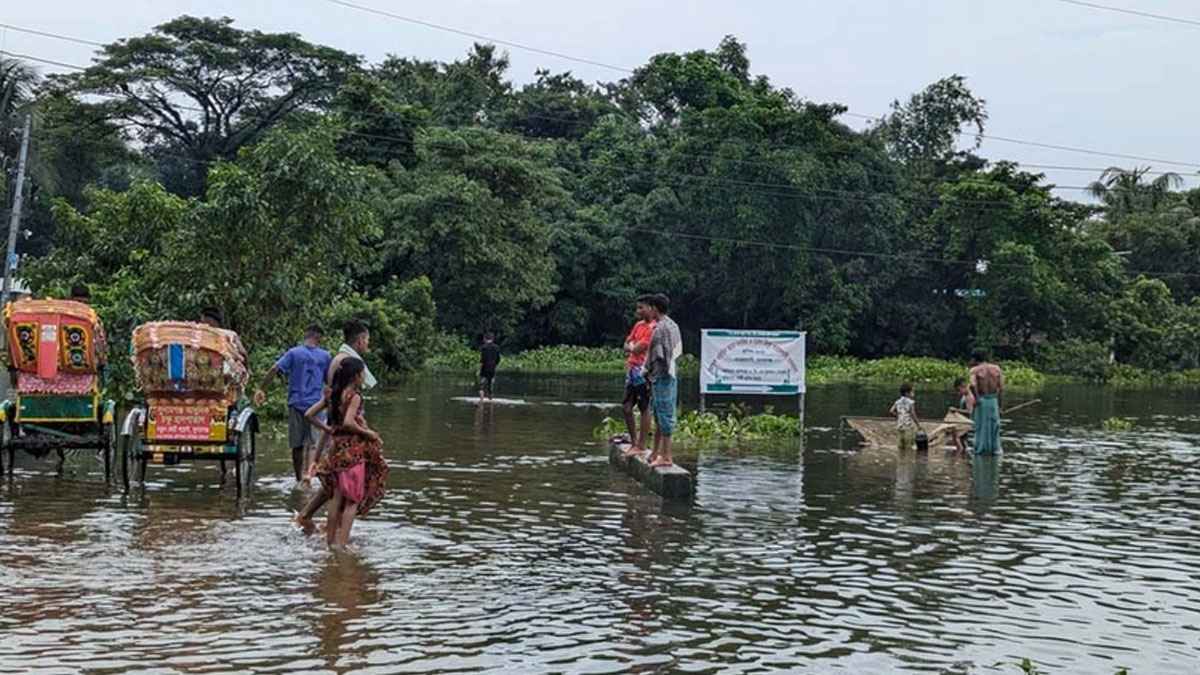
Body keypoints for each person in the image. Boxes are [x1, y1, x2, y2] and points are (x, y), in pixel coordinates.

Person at [294, 321, 375, 528]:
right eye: (367, 340)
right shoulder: (348, 363)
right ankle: (335, 536)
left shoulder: (337, 359)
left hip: (336, 428)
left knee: (334, 481)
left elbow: (328, 402)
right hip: (344, 433)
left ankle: (311, 519)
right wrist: (365, 431)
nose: (368, 344)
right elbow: (342, 408)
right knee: (342, 486)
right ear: (360, 340)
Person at [305, 357, 388, 549]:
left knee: (336, 497)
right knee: (352, 500)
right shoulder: (355, 396)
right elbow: (349, 422)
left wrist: (328, 430)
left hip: (335, 451)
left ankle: (331, 542)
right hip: (352, 453)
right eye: (362, 374)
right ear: (356, 376)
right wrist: (368, 433)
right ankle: (342, 544)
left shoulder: (332, 395)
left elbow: (309, 415)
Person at [254, 324, 332, 484]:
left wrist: (261, 388)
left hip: (296, 403)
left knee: (297, 445)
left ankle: (298, 479)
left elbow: (275, 368)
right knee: (313, 444)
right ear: (319, 338)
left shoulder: (294, 353)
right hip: (316, 405)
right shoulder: (325, 356)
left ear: (307, 335)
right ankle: (309, 477)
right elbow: (329, 381)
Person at [644, 293, 681, 468]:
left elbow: (659, 356)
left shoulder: (661, 329)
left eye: (650, 307)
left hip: (663, 376)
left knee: (664, 416)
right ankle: (657, 453)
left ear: (654, 309)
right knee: (661, 415)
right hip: (671, 375)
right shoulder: (673, 325)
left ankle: (666, 457)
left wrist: (649, 371)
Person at [621, 297, 656, 456]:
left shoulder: (653, 327)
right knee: (626, 407)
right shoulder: (638, 325)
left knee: (644, 407)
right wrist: (632, 346)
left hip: (643, 371)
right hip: (631, 369)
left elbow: (639, 347)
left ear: (650, 308)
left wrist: (632, 346)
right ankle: (634, 442)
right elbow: (626, 345)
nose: (638, 312)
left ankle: (641, 445)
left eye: (641, 308)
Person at [969, 350, 1004, 454]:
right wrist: (1000, 405)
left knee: (981, 426)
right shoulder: (997, 369)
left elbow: (972, 385)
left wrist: (977, 398)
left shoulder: (974, 370)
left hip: (982, 401)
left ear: (975, 359)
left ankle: (981, 449)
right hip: (993, 401)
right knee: (994, 425)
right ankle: (995, 450)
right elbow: (1001, 388)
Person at [890, 383, 920, 451]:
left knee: (900, 446)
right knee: (909, 446)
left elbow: (891, 411)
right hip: (908, 426)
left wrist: (898, 416)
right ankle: (907, 460)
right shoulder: (911, 402)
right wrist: (918, 425)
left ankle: (900, 460)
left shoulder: (897, 401)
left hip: (899, 426)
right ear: (907, 393)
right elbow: (913, 414)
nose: (913, 393)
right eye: (912, 391)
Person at [950, 377, 975, 453]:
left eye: (959, 390)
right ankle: (963, 455)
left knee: (956, 437)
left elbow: (969, 412)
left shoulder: (969, 397)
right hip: (962, 421)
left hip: (966, 422)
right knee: (962, 440)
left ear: (962, 386)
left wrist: (956, 410)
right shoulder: (965, 395)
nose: (958, 393)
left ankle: (959, 455)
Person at [478, 333, 501, 400]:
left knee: (482, 383)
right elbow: (498, 359)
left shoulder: (483, 347)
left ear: (485, 339)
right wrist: (495, 365)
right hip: (492, 367)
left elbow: (482, 359)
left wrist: (479, 369)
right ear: (492, 339)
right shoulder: (497, 347)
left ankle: (481, 398)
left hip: (484, 367)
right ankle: (490, 397)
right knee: (490, 383)